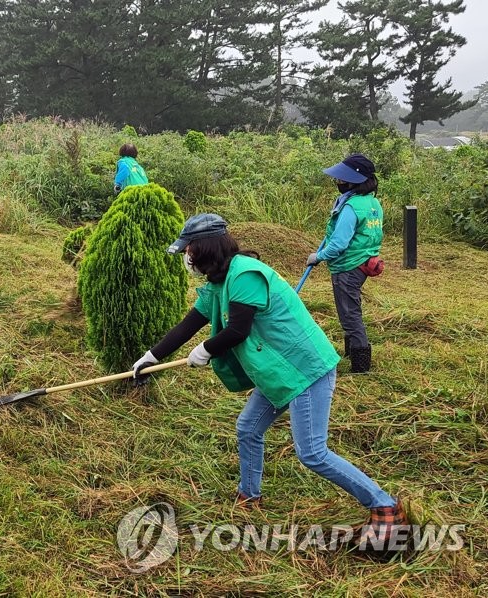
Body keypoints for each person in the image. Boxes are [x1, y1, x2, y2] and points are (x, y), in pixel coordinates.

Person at [131, 213, 406, 551]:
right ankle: (250, 495)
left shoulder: (245, 274)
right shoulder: (218, 283)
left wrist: (205, 349)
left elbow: (237, 330)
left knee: (313, 453)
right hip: (278, 370)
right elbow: (190, 323)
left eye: (188, 251)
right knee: (248, 427)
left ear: (203, 250)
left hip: (305, 369)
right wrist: (151, 356)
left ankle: (384, 505)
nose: (187, 259)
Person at [306, 154, 384, 373]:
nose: (338, 183)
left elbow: (339, 243)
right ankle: (351, 351)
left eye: (341, 179)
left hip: (348, 266)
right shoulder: (372, 202)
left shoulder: (351, 207)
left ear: (353, 181)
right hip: (364, 262)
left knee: (349, 314)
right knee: (349, 307)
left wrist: (319, 256)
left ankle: (361, 365)